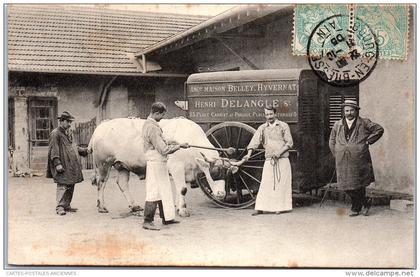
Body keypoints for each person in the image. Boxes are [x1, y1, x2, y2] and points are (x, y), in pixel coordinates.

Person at [329, 100, 384, 217]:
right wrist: (337, 153)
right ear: (343, 111)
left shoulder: (364, 122)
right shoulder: (337, 124)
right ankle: (365, 202)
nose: (348, 113)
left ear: (356, 111)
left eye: (351, 110)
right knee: (345, 185)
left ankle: (355, 208)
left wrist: (369, 141)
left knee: (358, 183)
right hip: (342, 159)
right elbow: (332, 140)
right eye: (346, 111)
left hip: (359, 158)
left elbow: (379, 129)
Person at [142, 102, 189, 231]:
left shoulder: (152, 125)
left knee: (165, 190)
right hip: (155, 163)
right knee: (154, 191)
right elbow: (163, 150)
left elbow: (161, 140)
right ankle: (147, 221)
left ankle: (167, 218)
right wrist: (179, 147)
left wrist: (174, 142)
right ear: (156, 113)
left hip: (160, 162)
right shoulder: (152, 127)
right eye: (162, 115)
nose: (162, 117)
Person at [242, 105, 293, 216]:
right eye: (266, 114)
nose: (269, 116)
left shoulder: (283, 126)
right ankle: (260, 208)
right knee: (266, 183)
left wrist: (279, 153)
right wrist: (248, 154)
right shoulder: (262, 128)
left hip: (282, 160)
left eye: (271, 114)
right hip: (269, 160)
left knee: (281, 184)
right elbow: (254, 142)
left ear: (275, 114)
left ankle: (279, 207)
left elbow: (289, 143)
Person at [47, 111, 85, 216]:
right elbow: (54, 150)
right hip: (62, 164)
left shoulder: (67, 133)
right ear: (62, 121)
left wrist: (85, 151)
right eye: (68, 122)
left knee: (70, 183)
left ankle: (66, 205)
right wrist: (57, 163)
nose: (69, 124)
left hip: (70, 165)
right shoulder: (55, 133)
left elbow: (73, 147)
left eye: (70, 122)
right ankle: (59, 206)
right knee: (62, 184)